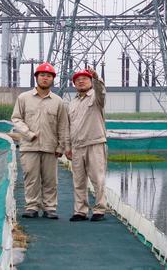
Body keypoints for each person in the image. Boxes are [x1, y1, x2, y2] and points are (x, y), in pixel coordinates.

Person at [11, 62, 70, 219]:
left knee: (50, 179)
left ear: (52, 80)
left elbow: (63, 126)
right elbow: (16, 119)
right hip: (29, 146)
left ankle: (50, 208)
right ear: (36, 78)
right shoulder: (23, 98)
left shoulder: (58, 102)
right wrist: (28, 133)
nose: (45, 78)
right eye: (42, 75)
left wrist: (61, 146)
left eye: (49, 76)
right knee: (31, 178)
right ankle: (32, 207)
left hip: (50, 147)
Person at [66, 67, 107, 222]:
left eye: (85, 78)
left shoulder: (96, 98)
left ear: (91, 81)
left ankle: (99, 210)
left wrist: (97, 78)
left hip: (94, 143)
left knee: (98, 178)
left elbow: (101, 91)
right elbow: (68, 126)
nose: (81, 81)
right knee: (78, 180)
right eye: (77, 80)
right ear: (74, 84)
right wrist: (67, 147)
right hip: (77, 147)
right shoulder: (71, 103)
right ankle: (80, 211)